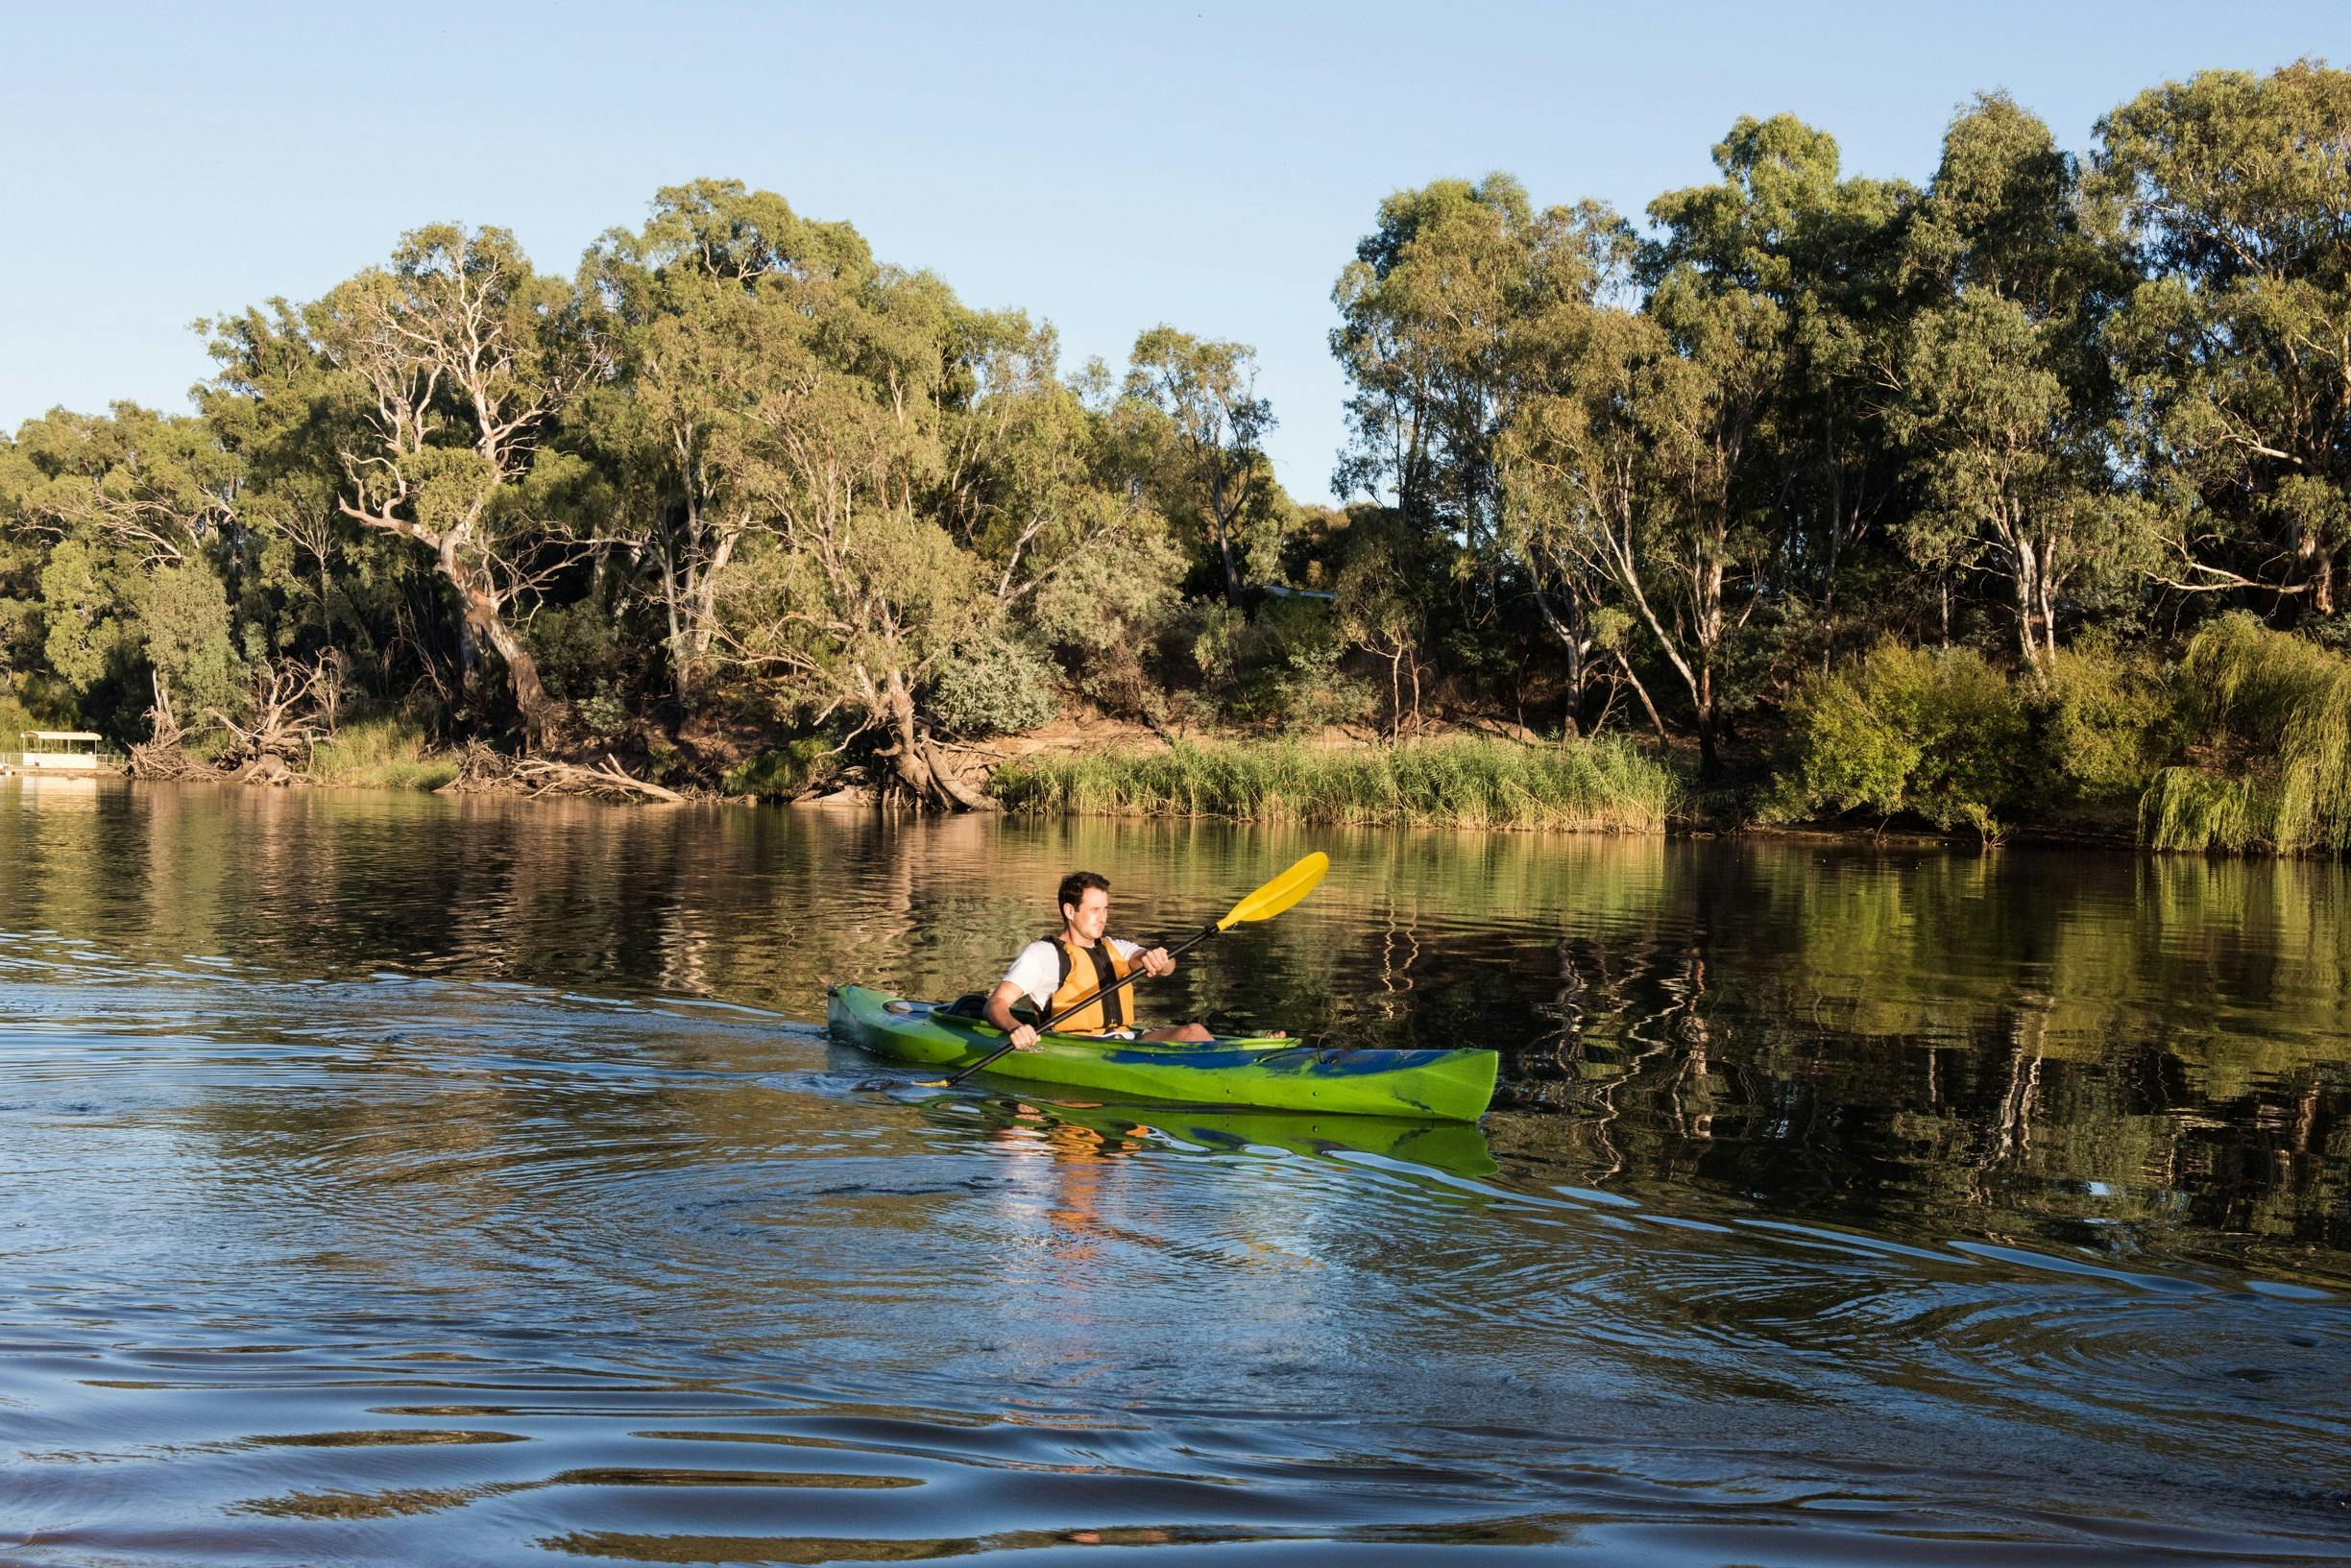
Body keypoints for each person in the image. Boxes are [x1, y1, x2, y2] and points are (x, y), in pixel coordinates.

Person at [983, 871, 1217, 1049]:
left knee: (1194, 1031)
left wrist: (1159, 959)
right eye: (1095, 909)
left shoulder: (1115, 947)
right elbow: (996, 1004)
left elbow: (1166, 967)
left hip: (1125, 1041)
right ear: (1069, 911)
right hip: (1077, 1048)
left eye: (1105, 909)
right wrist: (1016, 1028)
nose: (1102, 918)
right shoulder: (1042, 955)